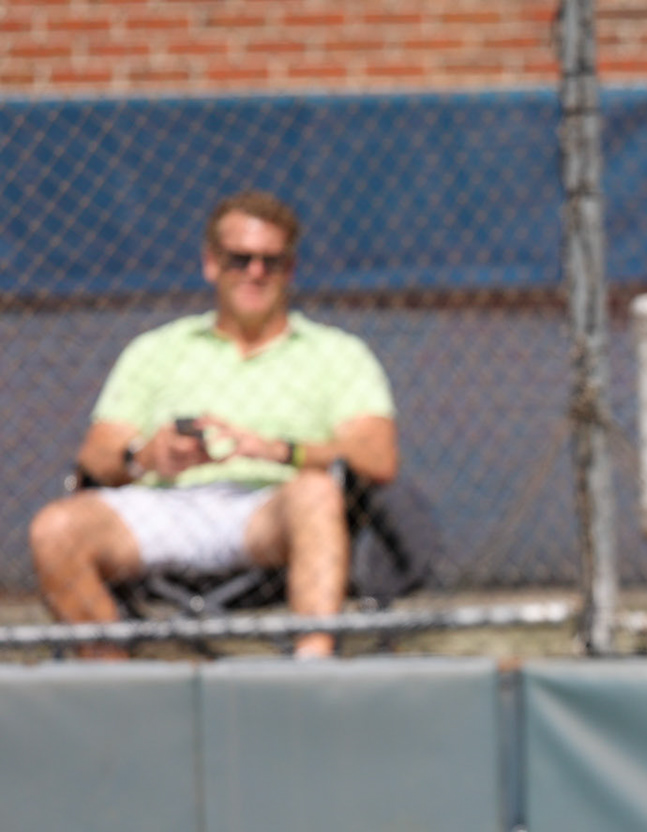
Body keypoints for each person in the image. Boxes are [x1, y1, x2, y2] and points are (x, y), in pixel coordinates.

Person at [28, 190, 399, 659]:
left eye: (271, 261)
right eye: (239, 259)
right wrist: (146, 456)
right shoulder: (156, 350)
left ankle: (312, 678)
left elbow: (378, 457)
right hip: (162, 504)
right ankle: (114, 684)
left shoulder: (337, 354)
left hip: (268, 514)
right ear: (210, 264)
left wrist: (279, 451)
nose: (256, 273)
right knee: (55, 528)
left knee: (317, 492)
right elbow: (97, 456)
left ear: (291, 270)